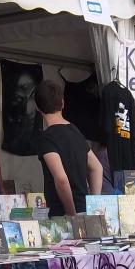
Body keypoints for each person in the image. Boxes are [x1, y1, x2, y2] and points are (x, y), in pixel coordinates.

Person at [35, 80, 103, 216]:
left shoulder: (46, 138)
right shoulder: (75, 131)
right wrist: (93, 205)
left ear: (37, 107)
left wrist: (71, 213)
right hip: (84, 210)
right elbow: (97, 168)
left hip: (62, 214)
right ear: (62, 103)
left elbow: (61, 179)